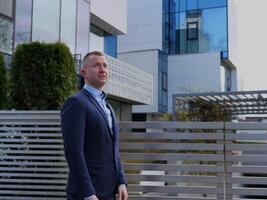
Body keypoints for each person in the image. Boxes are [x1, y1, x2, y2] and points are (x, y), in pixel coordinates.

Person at [61, 51, 128, 200]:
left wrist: (122, 181)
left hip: (111, 193)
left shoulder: (108, 107)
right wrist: (88, 193)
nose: (102, 69)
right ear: (83, 72)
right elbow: (73, 152)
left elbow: (113, 149)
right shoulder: (76, 103)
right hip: (87, 194)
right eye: (96, 65)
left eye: (105, 65)